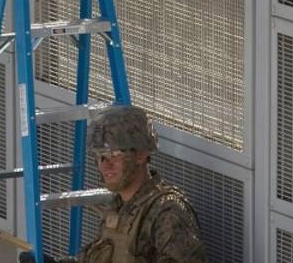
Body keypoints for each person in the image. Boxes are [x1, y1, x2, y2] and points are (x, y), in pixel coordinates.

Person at [19, 106, 206, 263]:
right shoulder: (119, 206)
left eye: (114, 156)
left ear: (140, 155)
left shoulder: (168, 212)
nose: (105, 165)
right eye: (100, 157)